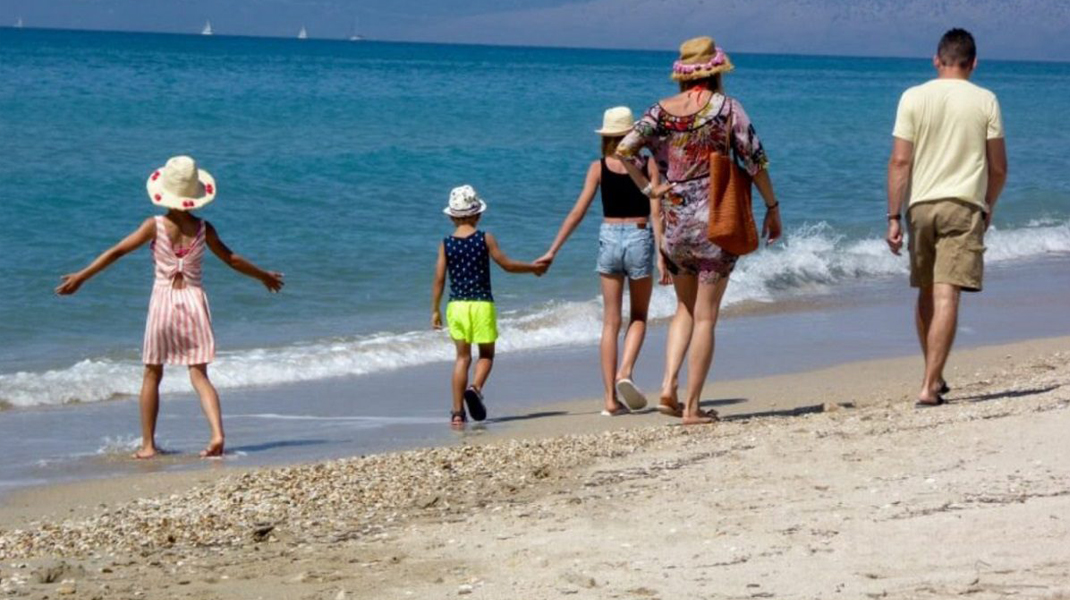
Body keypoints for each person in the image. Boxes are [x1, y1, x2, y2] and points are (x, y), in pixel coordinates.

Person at [56, 156, 284, 458]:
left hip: (163, 301)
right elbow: (232, 259)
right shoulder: (203, 228)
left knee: (152, 372)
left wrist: (82, 276)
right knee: (199, 373)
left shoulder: (155, 226)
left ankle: (148, 445)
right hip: (194, 301)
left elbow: (117, 252)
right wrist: (263, 275)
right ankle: (217, 434)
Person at [615, 36, 782, 425]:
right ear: (716, 72)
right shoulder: (727, 108)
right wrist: (772, 208)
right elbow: (755, 160)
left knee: (684, 309)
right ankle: (692, 407)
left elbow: (623, 149)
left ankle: (668, 387)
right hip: (715, 223)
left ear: (683, 75)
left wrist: (648, 188)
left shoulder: (659, 111)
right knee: (706, 316)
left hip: (674, 224)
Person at [886, 28, 1007, 407]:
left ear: (937, 60)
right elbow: (999, 168)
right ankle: (929, 384)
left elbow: (900, 161)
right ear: (974, 63)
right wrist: (988, 204)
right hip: (963, 204)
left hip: (920, 206)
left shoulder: (913, 97)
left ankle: (933, 376)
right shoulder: (985, 100)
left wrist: (893, 216)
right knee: (947, 293)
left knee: (926, 290)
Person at [537, 107, 668, 416]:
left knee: (610, 322)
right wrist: (663, 255)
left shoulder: (598, 168)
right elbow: (656, 212)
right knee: (638, 316)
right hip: (639, 236)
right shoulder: (648, 164)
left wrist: (553, 250)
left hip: (608, 237)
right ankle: (625, 372)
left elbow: (578, 211)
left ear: (606, 137)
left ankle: (610, 400)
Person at [432, 185, 547, 427]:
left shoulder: (446, 244)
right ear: (478, 215)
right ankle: (475, 388)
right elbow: (507, 265)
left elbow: (439, 279)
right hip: (482, 304)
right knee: (486, 354)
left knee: (462, 358)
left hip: (457, 306)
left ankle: (457, 414)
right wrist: (532, 268)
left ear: (452, 217)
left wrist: (435, 309)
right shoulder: (485, 238)